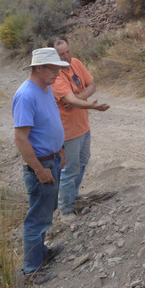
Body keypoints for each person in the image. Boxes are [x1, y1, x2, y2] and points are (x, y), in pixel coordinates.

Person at [12, 47, 70, 282]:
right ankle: (31, 270)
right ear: (38, 68)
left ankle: (41, 253)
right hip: (42, 166)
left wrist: (61, 150)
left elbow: (51, 122)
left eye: (58, 69)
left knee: (46, 211)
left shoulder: (44, 89)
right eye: (53, 69)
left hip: (52, 159)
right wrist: (39, 169)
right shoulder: (26, 95)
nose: (57, 74)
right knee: (37, 217)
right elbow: (20, 138)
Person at [47, 36, 110, 222]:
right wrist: (90, 105)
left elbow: (92, 85)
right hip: (69, 132)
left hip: (83, 125)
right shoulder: (55, 76)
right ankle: (65, 209)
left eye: (67, 52)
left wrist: (80, 98)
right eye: (61, 54)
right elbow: (69, 100)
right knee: (70, 169)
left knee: (82, 162)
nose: (66, 57)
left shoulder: (75, 63)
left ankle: (73, 196)